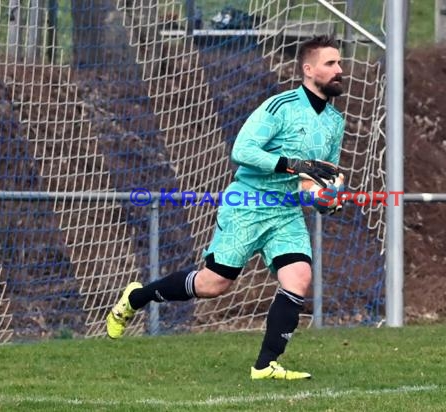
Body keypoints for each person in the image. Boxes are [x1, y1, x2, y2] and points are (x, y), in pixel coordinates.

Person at [106, 35, 345, 380]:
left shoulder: (335, 123)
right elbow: (242, 151)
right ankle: (137, 297)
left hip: (285, 211)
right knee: (212, 285)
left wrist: (325, 199)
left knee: (299, 277)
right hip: (247, 203)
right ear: (308, 70)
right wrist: (292, 163)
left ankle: (265, 366)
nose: (339, 69)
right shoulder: (280, 107)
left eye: (339, 63)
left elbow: (318, 179)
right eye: (330, 63)